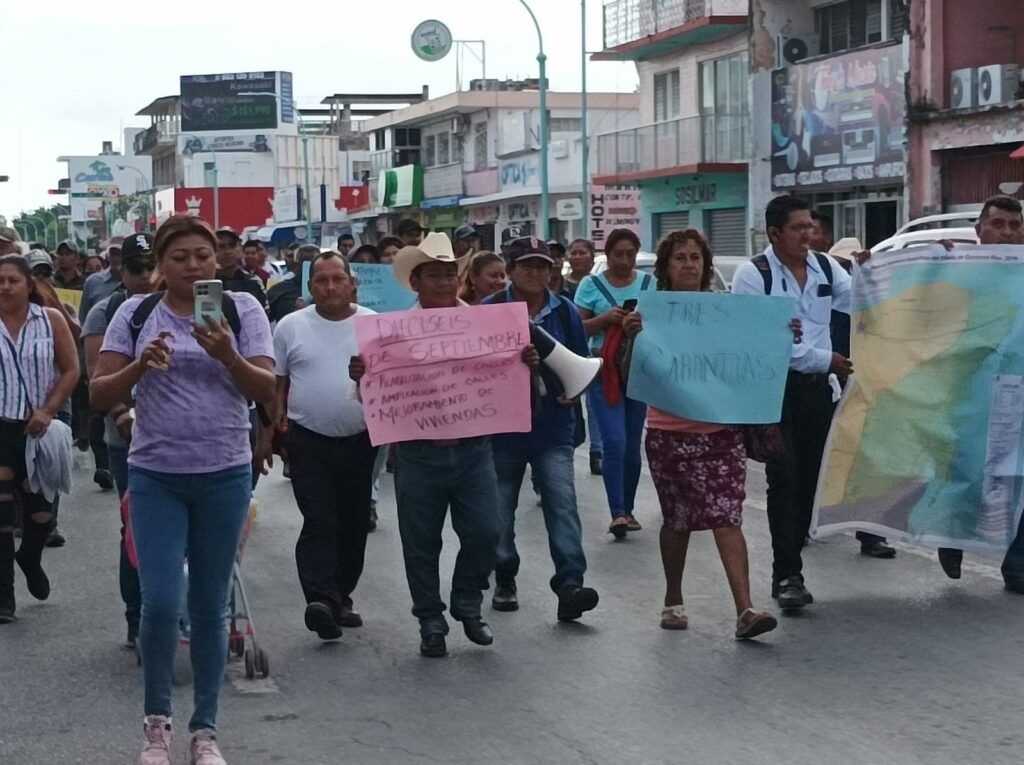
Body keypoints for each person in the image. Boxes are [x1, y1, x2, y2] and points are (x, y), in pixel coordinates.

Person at [91, 215, 275, 765]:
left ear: (215, 260)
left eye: (202, 255)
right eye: (179, 257)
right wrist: (139, 369)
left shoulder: (243, 310)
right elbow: (99, 393)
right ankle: (156, 726)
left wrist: (228, 355)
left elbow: (266, 388)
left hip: (224, 470)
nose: (192, 265)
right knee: (162, 600)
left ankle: (205, 731)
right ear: (161, 266)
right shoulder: (135, 313)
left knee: (211, 604)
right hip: (156, 474)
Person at [349, 232, 538, 658]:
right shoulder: (388, 334)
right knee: (421, 543)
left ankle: (468, 600)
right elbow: (370, 398)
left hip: (474, 452)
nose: (444, 283)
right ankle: (430, 620)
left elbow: (514, 381)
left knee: (487, 533)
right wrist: (362, 374)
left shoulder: (491, 328)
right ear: (415, 282)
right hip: (418, 455)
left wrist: (526, 363)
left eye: (450, 274)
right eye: (434, 275)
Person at [623, 230, 780, 639]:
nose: (689, 265)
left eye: (696, 258)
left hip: (720, 432)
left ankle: (745, 608)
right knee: (677, 521)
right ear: (666, 268)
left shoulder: (726, 312)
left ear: (705, 266)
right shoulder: (648, 314)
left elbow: (754, 353)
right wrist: (631, 339)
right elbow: (628, 377)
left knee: (728, 517)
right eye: (681, 258)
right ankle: (673, 597)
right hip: (669, 434)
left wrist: (782, 334)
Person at [732, 195, 853, 611]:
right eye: (800, 228)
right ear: (775, 233)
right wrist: (828, 359)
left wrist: (891, 272)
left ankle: (792, 553)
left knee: (809, 482)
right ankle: (787, 574)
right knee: (783, 477)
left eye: (811, 227)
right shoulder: (753, 276)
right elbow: (765, 342)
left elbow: (862, 302)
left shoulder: (825, 267)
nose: (809, 235)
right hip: (773, 390)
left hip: (817, 391)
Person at [259, 252, 379, 641]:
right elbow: (274, 385)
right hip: (307, 438)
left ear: (352, 284)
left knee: (354, 520)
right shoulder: (291, 327)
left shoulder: (372, 324)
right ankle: (321, 600)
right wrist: (266, 436)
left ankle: (342, 595)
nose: (329, 287)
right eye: (321, 281)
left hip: (362, 440)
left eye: (337, 279)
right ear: (310, 288)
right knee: (320, 518)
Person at [481, 237, 599, 621]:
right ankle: (504, 574)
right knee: (500, 510)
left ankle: (570, 584)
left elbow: (580, 366)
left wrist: (570, 393)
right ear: (510, 271)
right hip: (503, 432)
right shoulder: (488, 311)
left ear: (551, 271)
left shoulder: (564, 313)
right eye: (526, 265)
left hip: (552, 429)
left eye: (542, 266)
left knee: (562, 504)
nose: (535, 272)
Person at [934, 195, 1024, 592]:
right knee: (971, 472)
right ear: (979, 230)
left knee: (1019, 477)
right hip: (971, 392)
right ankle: (954, 536)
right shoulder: (958, 270)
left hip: (1019, 390)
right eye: (998, 223)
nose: (1007, 232)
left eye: (1014, 225)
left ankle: (1018, 563)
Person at [82, 232, 158, 648]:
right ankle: (137, 616)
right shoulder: (103, 313)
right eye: (136, 269)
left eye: (152, 267)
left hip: (182, 437)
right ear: (120, 271)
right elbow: (98, 379)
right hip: (127, 439)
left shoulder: (183, 306)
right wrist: (122, 413)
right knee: (136, 528)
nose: (145, 277)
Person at [0, 254, 80, 624]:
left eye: (12, 279)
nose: (5, 286)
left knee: (41, 514)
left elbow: (71, 369)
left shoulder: (49, 320)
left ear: (28, 284)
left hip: (40, 428)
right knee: (1, 514)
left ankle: (29, 557)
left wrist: (48, 410)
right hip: (1, 428)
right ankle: (4, 599)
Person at [574, 228, 654, 538]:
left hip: (636, 370)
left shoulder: (650, 284)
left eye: (629, 254)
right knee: (614, 441)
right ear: (607, 255)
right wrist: (605, 320)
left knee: (633, 445)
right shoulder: (590, 285)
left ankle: (629, 509)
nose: (623, 260)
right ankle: (617, 512)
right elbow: (576, 328)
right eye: (617, 254)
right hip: (602, 372)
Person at [267, 244, 320, 324]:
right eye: (305, 260)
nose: (310, 265)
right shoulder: (279, 291)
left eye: (313, 261)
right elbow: (264, 319)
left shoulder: (330, 290)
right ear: (296, 263)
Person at [215, 227, 267, 308]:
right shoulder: (207, 282)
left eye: (232, 245)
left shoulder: (253, 281)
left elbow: (263, 316)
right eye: (221, 246)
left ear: (240, 248)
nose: (228, 251)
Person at [80, 236, 125, 321]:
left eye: (119, 254)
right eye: (113, 253)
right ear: (108, 256)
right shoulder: (93, 281)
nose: (115, 258)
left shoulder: (134, 282)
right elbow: (83, 318)